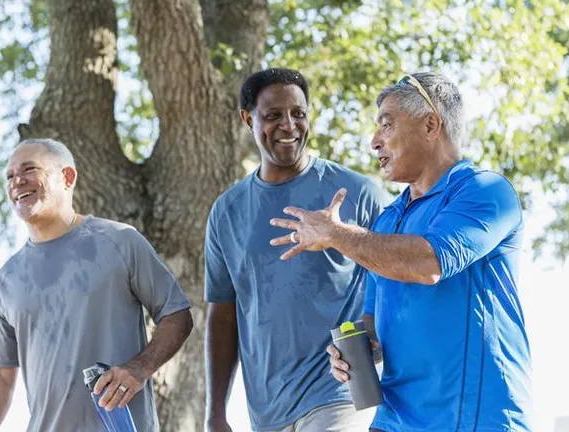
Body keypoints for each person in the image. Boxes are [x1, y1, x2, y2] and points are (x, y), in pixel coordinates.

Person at [269, 72, 533, 431]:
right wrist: (355, 350)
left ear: (430, 125)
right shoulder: (386, 220)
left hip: (474, 419)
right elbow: (374, 325)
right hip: (394, 421)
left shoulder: (486, 191)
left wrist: (337, 234)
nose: (374, 141)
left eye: (386, 125)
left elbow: (428, 262)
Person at [204, 68, 390, 432]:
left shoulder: (356, 193)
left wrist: (378, 344)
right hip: (267, 412)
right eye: (273, 116)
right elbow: (223, 316)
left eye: (298, 114)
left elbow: (399, 281)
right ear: (248, 119)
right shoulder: (227, 212)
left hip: (344, 394)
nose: (289, 126)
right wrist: (215, 414)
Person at [0, 138, 193, 432]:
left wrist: (138, 369)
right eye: (10, 176)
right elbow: (0, 373)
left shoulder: (120, 241)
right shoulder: (8, 278)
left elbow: (177, 315)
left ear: (67, 177)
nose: (17, 181)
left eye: (29, 169)